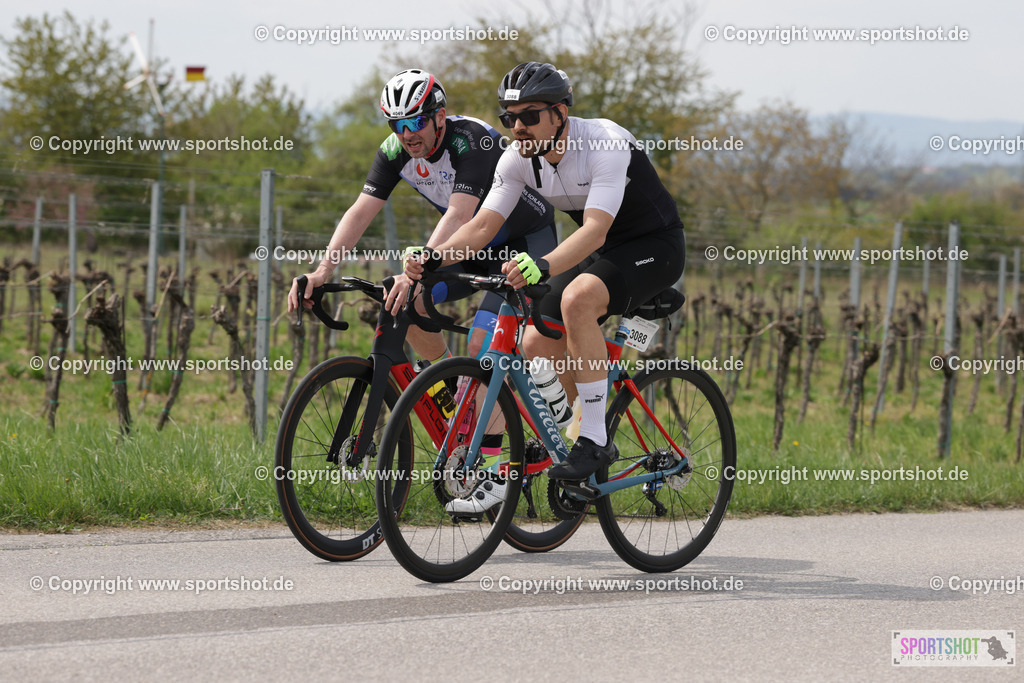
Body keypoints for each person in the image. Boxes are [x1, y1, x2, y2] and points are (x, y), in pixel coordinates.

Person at [406, 61, 686, 484]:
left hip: (655, 246)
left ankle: (595, 440)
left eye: (530, 116)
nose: (518, 126)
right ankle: (569, 432)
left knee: (577, 300)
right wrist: (433, 258)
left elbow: (594, 230)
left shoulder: (603, 143)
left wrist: (540, 265)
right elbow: (482, 226)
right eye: (510, 117)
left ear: (561, 114)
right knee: (536, 338)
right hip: (607, 250)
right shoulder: (517, 158)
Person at [288, 68, 556, 364]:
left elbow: (459, 215)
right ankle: (452, 391)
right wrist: (322, 272)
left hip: (524, 244)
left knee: (481, 346)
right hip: (467, 248)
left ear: (440, 117)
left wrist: (413, 272)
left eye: (416, 122)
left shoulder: (472, 139)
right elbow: (359, 213)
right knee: (405, 305)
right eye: (397, 125)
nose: (407, 135)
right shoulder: (394, 152)